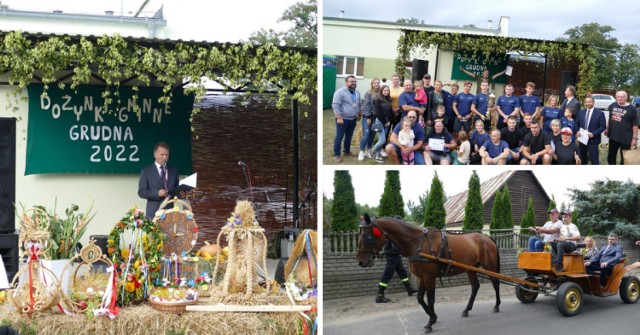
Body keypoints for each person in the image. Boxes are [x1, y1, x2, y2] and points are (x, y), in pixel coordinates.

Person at [138, 142, 180, 219]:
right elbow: (141, 192)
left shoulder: (174, 171)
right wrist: (157, 193)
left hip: (170, 212)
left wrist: (182, 193)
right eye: (162, 155)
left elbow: (177, 190)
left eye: (167, 155)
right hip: (153, 213)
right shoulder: (146, 171)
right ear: (155, 154)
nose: (165, 157)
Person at [604, 91, 639, 165]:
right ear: (616, 97)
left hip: (626, 138)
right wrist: (607, 129)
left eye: (622, 97)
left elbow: (635, 125)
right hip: (613, 136)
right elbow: (610, 118)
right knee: (611, 156)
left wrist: (634, 138)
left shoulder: (632, 109)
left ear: (626, 98)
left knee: (624, 157)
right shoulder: (612, 105)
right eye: (618, 97)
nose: (620, 98)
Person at [332, 75, 361, 162]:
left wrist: (359, 114)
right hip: (343, 119)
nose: (353, 83)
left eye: (355, 81)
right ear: (346, 82)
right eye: (351, 81)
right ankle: (337, 154)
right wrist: (339, 118)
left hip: (352, 119)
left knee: (349, 136)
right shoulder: (340, 92)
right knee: (339, 137)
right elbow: (335, 105)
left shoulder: (357, 93)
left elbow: (359, 104)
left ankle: (346, 151)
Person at [575, 96, 606, 165]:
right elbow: (576, 123)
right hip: (582, 139)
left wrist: (594, 133)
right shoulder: (581, 112)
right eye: (586, 102)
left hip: (593, 140)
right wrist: (577, 131)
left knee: (594, 159)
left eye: (589, 102)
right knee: (583, 158)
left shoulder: (599, 113)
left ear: (593, 103)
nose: (587, 103)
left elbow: (603, 126)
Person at [358, 78, 380, 161]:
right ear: (372, 84)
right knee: (366, 134)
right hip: (368, 117)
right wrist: (368, 117)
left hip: (377, 118)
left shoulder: (380, 92)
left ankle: (369, 149)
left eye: (378, 83)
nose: (376, 84)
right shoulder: (368, 92)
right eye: (375, 83)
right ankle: (361, 151)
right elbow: (366, 105)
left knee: (373, 134)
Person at [371, 85, 393, 163]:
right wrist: (385, 122)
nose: (386, 92)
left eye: (387, 90)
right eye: (384, 90)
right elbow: (378, 113)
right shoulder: (377, 100)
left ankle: (377, 155)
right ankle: (372, 151)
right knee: (382, 140)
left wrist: (389, 121)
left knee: (382, 140)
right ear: (381, 91)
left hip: (387, 123)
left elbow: (390, 112)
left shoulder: (389, 100)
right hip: (379, 122)